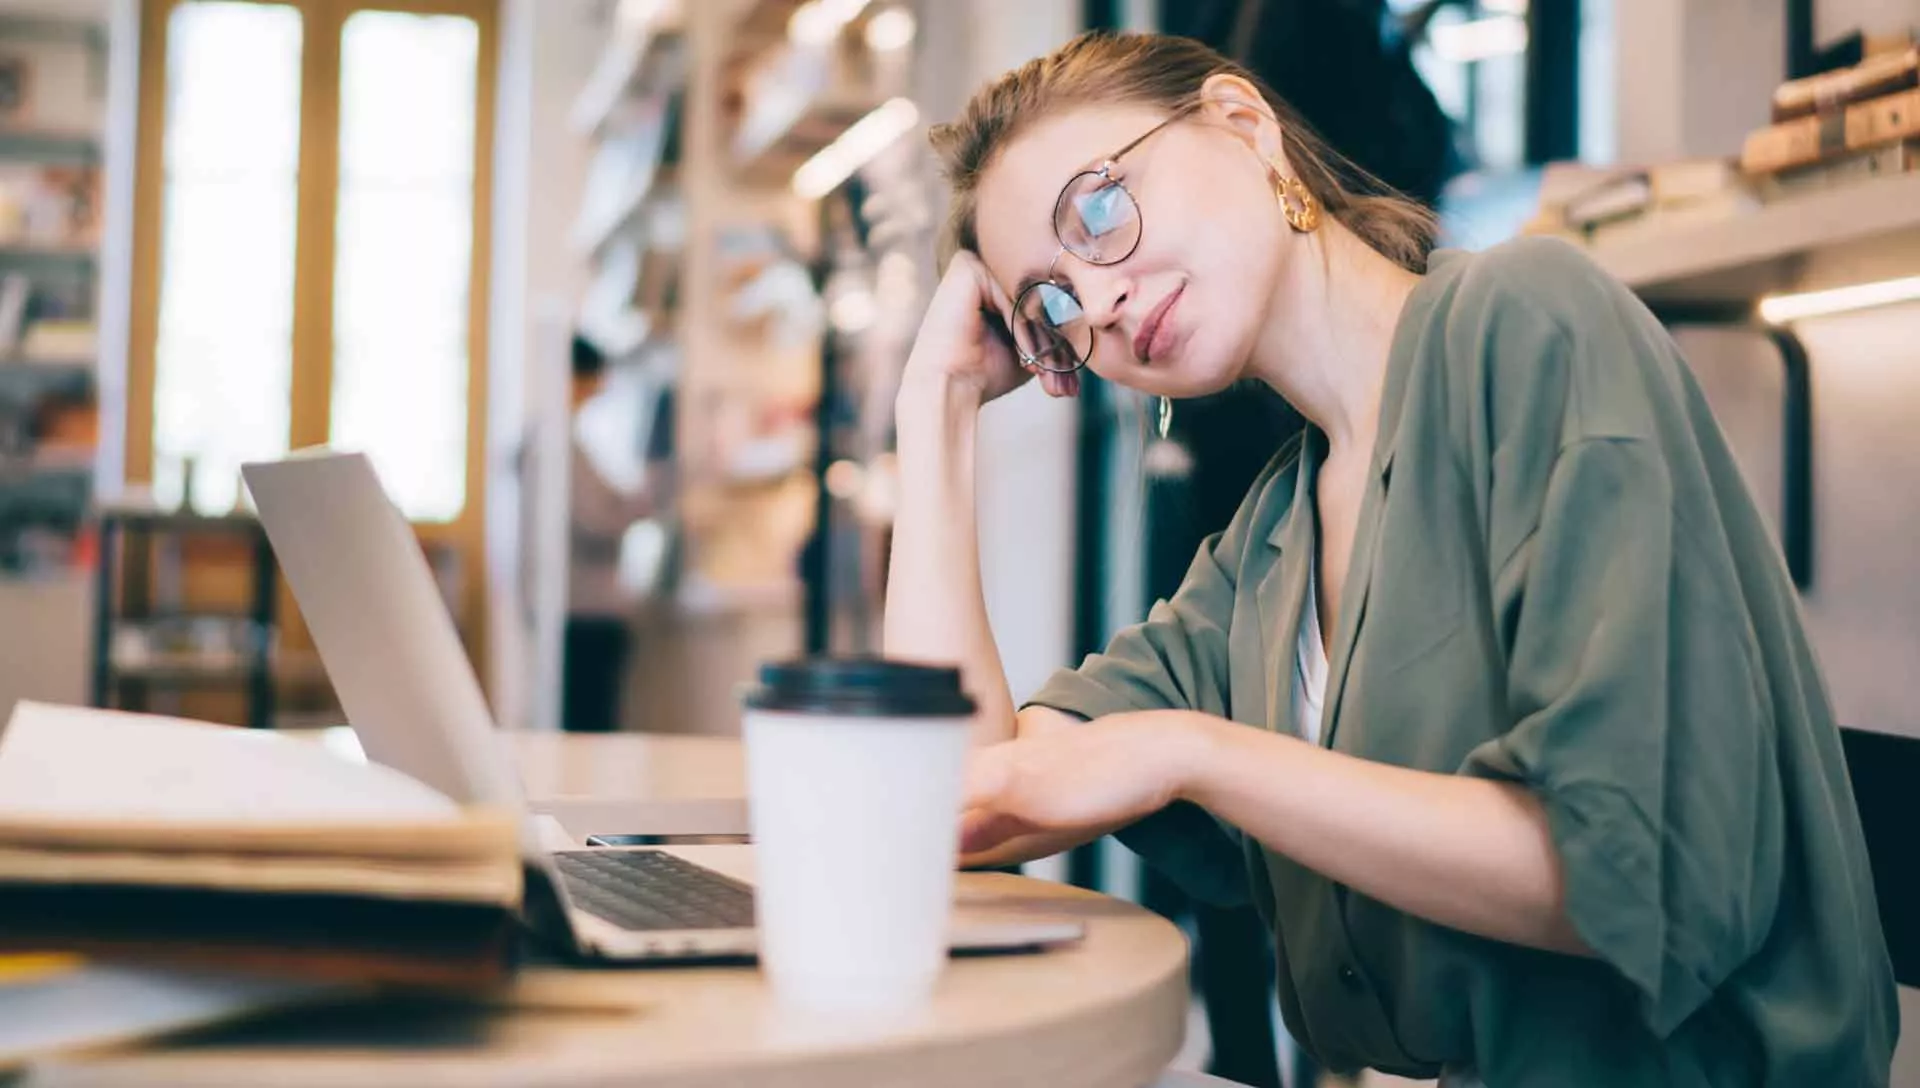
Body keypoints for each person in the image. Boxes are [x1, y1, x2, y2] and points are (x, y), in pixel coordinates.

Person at [883, 31, 1897, 1087]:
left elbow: (1634, 871)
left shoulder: (1527, 322)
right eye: (1050, 307)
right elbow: (954, 801)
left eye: (1096, 208)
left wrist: (1189, 750)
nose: (1096, 304)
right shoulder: (1268, 542)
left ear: (1244, 125)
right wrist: (937, 408)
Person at [563, 333, 670, 733]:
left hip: (582, 610)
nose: (601, 389)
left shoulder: (568, 444)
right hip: (586, 612)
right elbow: (596, 521)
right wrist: (646, 497)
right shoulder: (561, 447)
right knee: (591, 723)